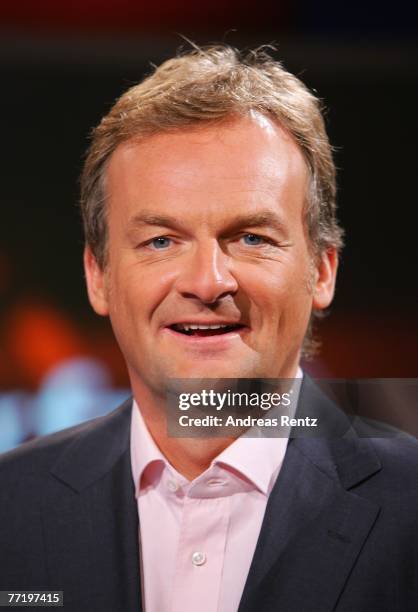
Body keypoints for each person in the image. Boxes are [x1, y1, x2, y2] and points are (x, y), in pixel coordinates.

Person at [0, 45, 417, 612]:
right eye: (161, 241)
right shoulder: (9, 508)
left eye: (251, 237)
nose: (207, 281)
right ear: (97, 277)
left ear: (322, 271)